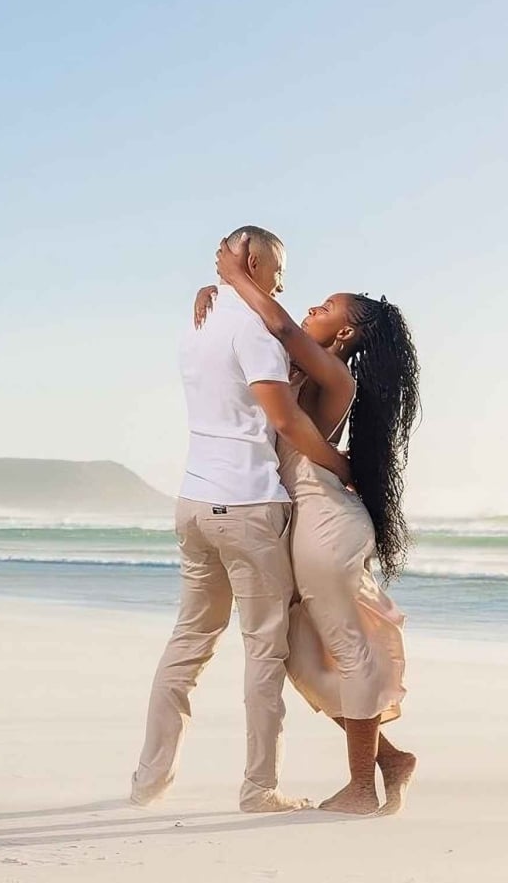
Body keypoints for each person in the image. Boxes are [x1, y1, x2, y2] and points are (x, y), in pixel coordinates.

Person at [192, 241, 420, 815]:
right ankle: (388, 757)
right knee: (297, 651)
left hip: (326, 525)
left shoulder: (337, 377)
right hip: (299, 524)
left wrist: (237, 278)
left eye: (325, 308)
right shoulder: (289, 363)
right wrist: (216, 298)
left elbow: (284, 331)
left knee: (346, 648)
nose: (311, 311)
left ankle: (363, 789)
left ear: (343, 338)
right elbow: (259, 338)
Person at [131, 226, 352, 814]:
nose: (283, 280)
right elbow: (284, 421)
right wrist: (345, 467)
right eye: (277, 267)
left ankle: (148, 779)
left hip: (193, 503)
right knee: (263, 651)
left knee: (188, 642)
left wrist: (217, 285)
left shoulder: (198, 320)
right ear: (252, 260)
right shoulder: (255, 329)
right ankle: (260, 790)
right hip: (249, 504)